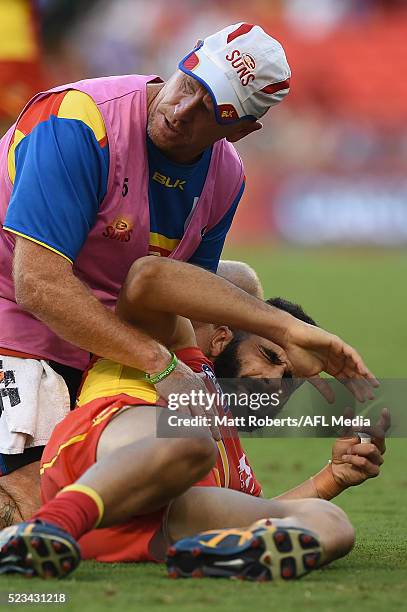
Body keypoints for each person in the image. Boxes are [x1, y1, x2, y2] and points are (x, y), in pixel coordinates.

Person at [0, 22, 377, 525]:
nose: (181, 112)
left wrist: (257, 373)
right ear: (186, 59)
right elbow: (38, 285)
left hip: (106, 323)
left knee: (238, 285)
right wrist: (165, 366)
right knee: (32, 506)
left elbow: (188, 299)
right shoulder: (79, 122)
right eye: (190, 86)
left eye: (210, 111)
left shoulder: (226, 175)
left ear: (241, 129)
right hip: (19, 309)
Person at [0, 258, 386, 580]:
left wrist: (331, 478)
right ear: (221, 339)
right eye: (269, 356)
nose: (274, 382)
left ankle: (214, 558)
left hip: (153, 528)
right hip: (96, 462)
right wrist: (285, 327)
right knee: (189, 439)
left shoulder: (229, 448)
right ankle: (49, 528)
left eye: (288, 381)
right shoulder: (177, 352)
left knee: (331, 522)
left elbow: (232, 511)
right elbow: (148, 278)